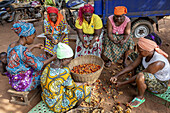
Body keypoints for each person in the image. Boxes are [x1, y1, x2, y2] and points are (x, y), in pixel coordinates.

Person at [110, 37, 170, 107]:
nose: (139, 52)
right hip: (150, 74)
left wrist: (122, 83)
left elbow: (141, 74)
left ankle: (140, 97)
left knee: (141, 76)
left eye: (140, 51)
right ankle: (135, 82)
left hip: (160, 85)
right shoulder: (145, 53)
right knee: (134, 56)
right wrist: (116, 75)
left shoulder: (158, 63)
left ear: (148, 51)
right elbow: (132, 66)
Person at [41, 42, 91, 113]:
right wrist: (83, 84)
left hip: (47, 99)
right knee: (85, 89)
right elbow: (72, 86)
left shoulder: (48, 66)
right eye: (69, 59)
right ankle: (72, 108)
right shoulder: (63, 73)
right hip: (57, 106)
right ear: (62, 59)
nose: (70, 62)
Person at [6, 22, 57, 92]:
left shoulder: (12, 45)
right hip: (23, 84)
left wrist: (34, 46)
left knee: (42, 57)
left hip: (14, 81)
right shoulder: (24, 51)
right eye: (33, 37)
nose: (34, 39)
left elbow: (21, 55)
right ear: (26, 37)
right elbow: (39, 66)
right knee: (46, 68)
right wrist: (54, 57)